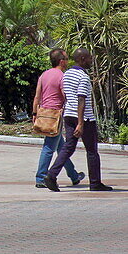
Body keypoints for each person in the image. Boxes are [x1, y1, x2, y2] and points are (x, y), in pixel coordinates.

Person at [43, 49, 114, 192]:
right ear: (82, 59)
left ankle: (51, 175)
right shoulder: (83, 76)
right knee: (92, 151)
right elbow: (81, 99)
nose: (91, 61)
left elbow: (67, 95)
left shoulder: (67, 74)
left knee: (68, 146)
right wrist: (81, 123)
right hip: (84, 118)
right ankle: (95, 183)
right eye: (89, 58)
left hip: (69, 115)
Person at [32, 48, 84, 188]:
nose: (68, 62)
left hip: (44, 113)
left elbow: (37, 96)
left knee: (62, 147)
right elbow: (65, 95)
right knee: (49, 147)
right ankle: (41, 177)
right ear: (61, 61)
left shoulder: (44, 75)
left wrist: (34, 113)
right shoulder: (62, 76)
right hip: (56, 115)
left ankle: (73, 175)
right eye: (66, 59)